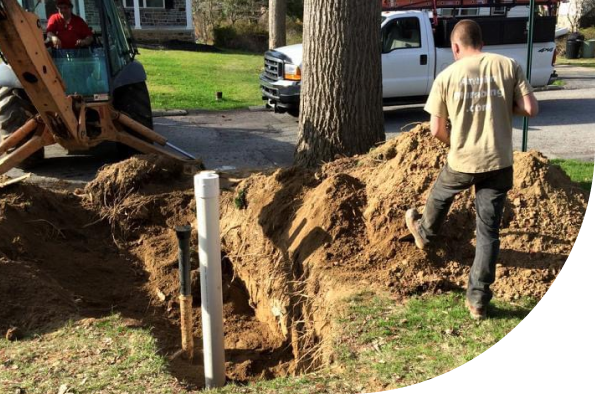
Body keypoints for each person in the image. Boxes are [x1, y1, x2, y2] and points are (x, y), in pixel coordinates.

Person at [405, 19, 539, 320]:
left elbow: (435, 129)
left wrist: (455, 142)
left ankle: (425, 233)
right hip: (499, 160)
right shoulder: (508, 65)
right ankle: (478, 300)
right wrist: (505, 106)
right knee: (488, 231)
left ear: (455, 46)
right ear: (481, 42)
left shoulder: (447, 76)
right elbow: (531, 109)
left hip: (463, 159)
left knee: (441, 194)